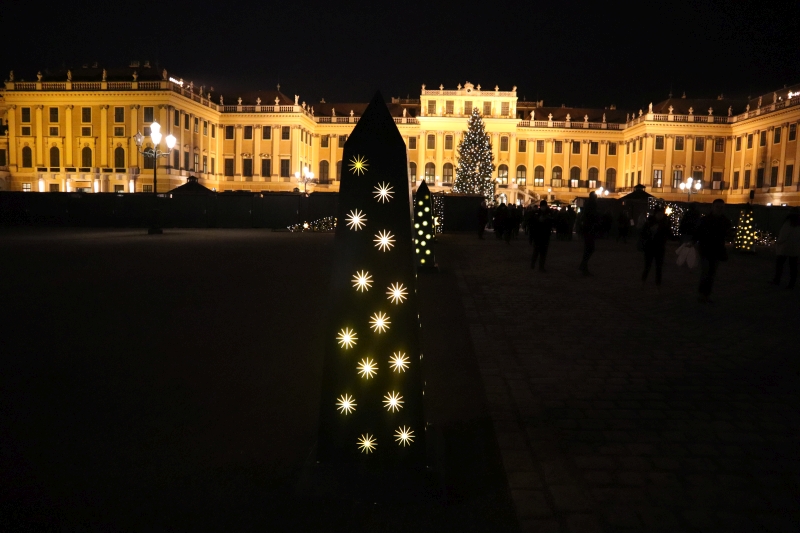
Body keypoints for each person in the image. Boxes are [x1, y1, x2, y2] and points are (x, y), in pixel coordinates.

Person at [693, 199, 731, 303]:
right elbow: (698, 232)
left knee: (712, 274)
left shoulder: (725, 221)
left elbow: (728, 235)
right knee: (705, 272)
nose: (719, 209)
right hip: (705, 249)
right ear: (712, 207)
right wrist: (692, 242)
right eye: (718, 207)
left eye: (722, 207)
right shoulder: (705, 220)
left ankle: (707, 294)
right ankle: (702, 294)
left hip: (717, 250)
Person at [641, 205, 671, 286]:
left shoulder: (665, 222)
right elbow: (643, 233)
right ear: (655, 214)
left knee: (659, 268)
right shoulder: (649, 222)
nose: (660, 215)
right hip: (650, 247)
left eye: (661, 213)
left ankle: (658, 284)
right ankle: (643, 281)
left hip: (660, 248)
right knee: (647, 266)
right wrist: (650, 231)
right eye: (658, 214)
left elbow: (669, 234)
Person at [772, 207, 800, 289]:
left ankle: (777, 280)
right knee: (793, 266)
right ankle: (792, 283)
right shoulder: (798, 224)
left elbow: (783, 235)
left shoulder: (788, 223)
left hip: (785, 247)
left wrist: (778, 242)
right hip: (795, 247)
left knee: (780, 264)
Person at [578, 192, 600, 276]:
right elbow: (593, 216)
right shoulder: (592, 205)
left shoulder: (588, 204)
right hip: (590, 229)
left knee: (588, 249)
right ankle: (583, 265)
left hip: (587, 229)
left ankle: (583, 266)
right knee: (590, 249)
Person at [530, 200, 555, 271]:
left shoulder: (549, 213)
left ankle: (541, 267)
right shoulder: (537, 213)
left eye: (544, 206)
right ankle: (533, 263)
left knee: (543, 252)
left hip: (545, 235)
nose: (543, 207)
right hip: (538, 235)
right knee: (536, 251)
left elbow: (552, 222)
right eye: (542, 206)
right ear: (540, 206)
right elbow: (533, 225)